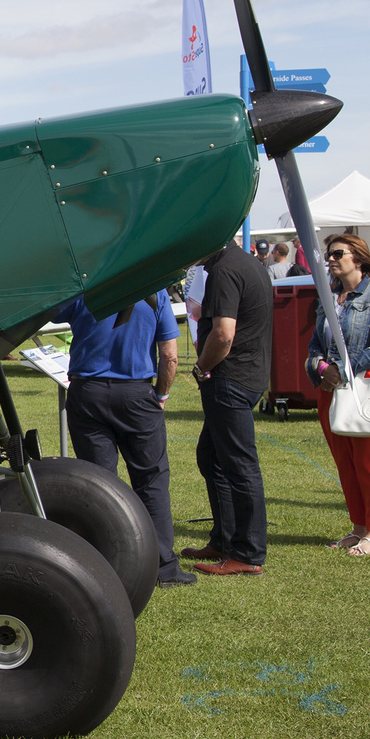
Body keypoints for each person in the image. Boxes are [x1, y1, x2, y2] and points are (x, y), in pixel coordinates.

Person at [59, 290, 190, 588]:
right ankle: (162, 567)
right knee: (151, 480)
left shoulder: (89, 287)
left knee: (99, 483)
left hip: (87, 391)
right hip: (136, 394)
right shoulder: (156, 292)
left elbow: (49, 311)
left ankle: (104, 561)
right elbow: (170, 355)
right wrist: (161, 395)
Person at [183, 240, 274, 576]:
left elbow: (222, 334)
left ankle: (248, 552)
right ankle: (224, 538)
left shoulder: (225, 270)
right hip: (244, 376)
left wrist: (202, 367)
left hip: (230, 378)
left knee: (239, 466)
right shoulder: (246, 263)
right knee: (212, 457)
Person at [307, 233, 370, 557]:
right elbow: (315, 345)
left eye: (337, 253)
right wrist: (321, 369)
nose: (330, 259)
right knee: (345, 461)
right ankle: (359, 526)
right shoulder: (328, 298)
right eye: (329, 254)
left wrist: (343, 372)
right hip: (332, 389)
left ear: (357, 258)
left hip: (365, 387)